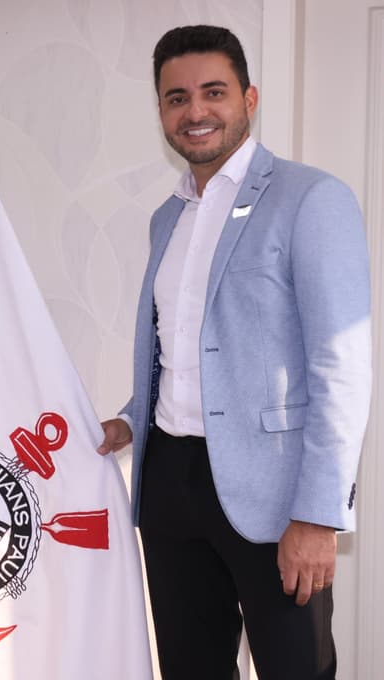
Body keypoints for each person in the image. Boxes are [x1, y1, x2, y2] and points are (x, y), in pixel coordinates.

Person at [98, 25, 371, 680]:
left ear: (249, 98)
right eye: (177, 97)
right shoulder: (167, 218)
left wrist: (316, 514)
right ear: (161, 109)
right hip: (168, 487)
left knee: (295, 671)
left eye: (213, 92)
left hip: (275, 498)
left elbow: (341, 365)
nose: (195, 111)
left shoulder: (312, 198)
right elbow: (183, 352)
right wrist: (129, 421)